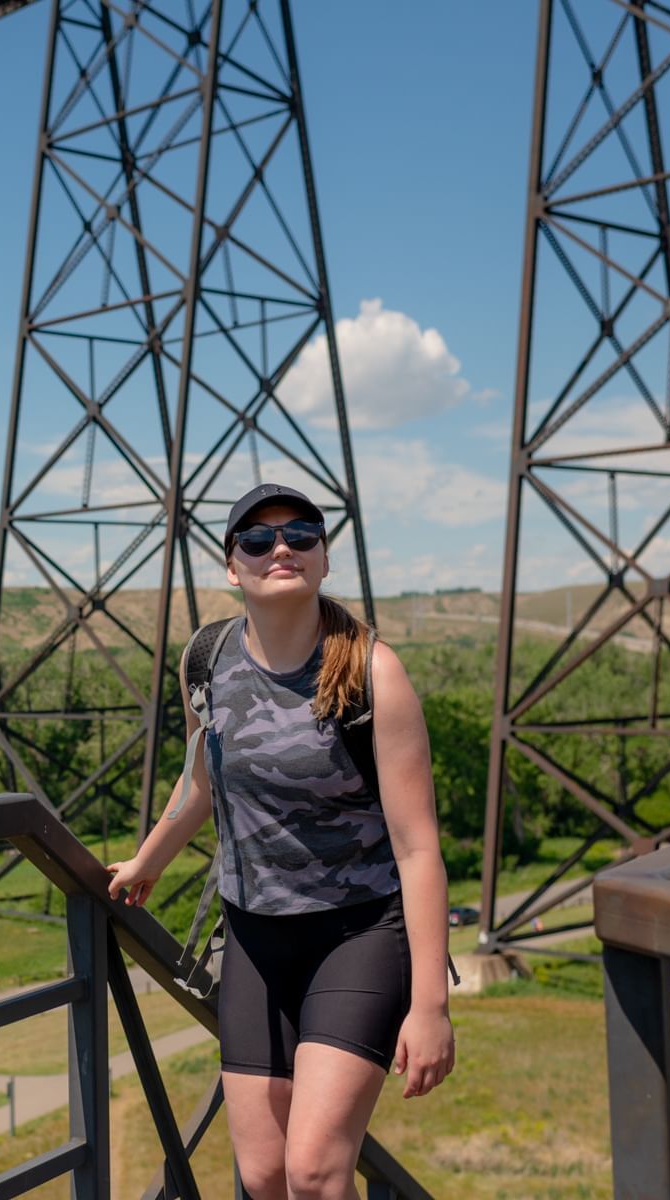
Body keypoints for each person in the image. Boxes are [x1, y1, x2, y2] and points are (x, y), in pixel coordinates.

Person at [107, 482, 455, 1200]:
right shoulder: (205, 660)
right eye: (258, 541)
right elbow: (204, 776)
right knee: (264, 1176)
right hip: (255, 941)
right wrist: (148, 858)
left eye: (301, 535)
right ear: (233, 567)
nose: (281, 550)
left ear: (324, 559)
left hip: (357, 934)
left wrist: (430, 1007)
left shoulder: (371, 672)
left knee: (317, 1172)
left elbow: (419, 849)